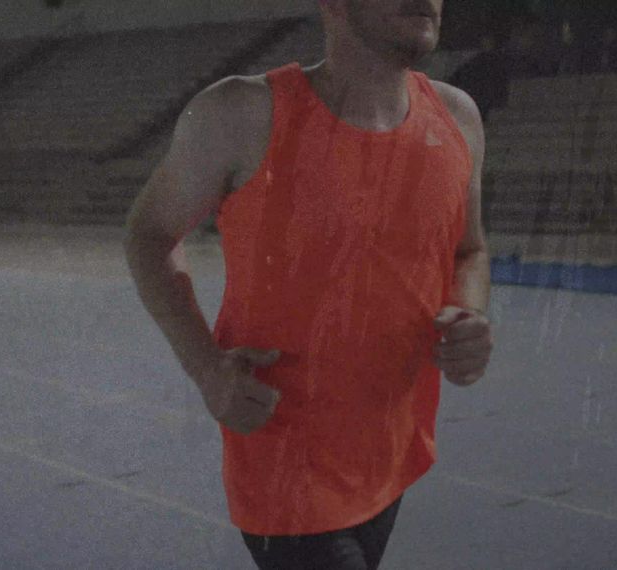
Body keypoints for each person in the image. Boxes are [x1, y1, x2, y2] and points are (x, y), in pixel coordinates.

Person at [124, 1, 493, 568]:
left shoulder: (458, 118)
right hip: (286, 472)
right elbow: (149, 235)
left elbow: (468, 249)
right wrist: (205, 369)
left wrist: (468, 312)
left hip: (390, 457)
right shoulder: (241, 114)